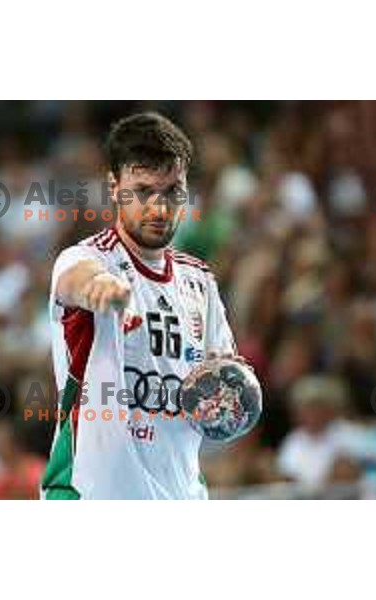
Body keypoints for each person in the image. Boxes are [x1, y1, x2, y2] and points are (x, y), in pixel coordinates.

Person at [42, 112, 248, 499]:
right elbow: (77, 281)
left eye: (171, 191)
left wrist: (235, 395)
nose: (158, 208)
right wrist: (102, 290)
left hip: (182, 495)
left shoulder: (200, 281)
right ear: (115, 187)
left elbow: (225, 383)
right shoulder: (86, 258)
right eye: (142, 191)